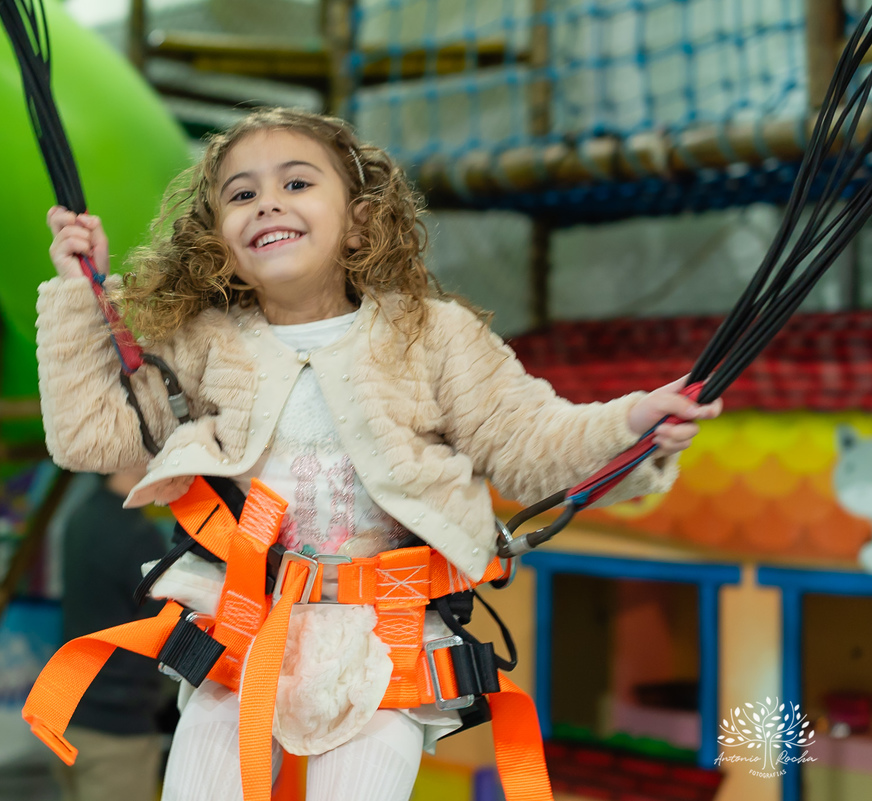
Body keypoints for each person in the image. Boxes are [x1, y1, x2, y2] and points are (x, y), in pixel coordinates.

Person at [35, 108, 721, 801]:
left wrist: (632, 422)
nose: (267, 201)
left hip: (384, 643)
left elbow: (531, 443)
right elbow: (90, 436)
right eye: (241, 195)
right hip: (238, 634)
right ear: (220, 240)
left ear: (360, 221)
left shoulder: (431, 337)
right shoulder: (203, 344)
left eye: (296, 183)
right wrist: (76, 294)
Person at [50, 468, 170, 801]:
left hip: (70, 717)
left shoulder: (80, 517)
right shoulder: (136, 534)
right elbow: (160, 630)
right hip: (117, 731)